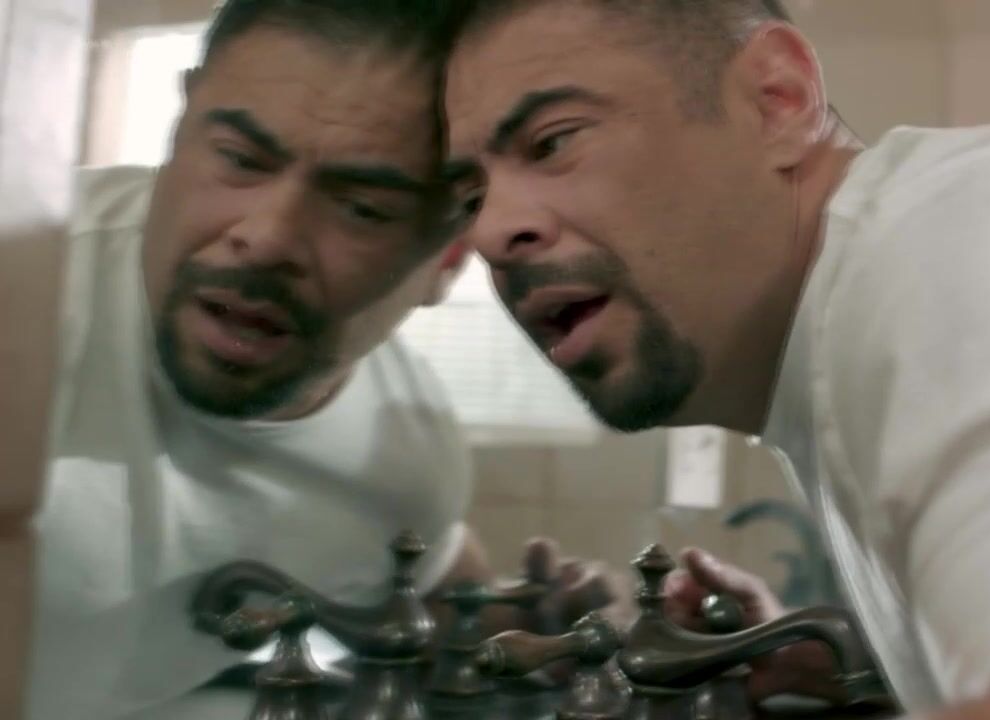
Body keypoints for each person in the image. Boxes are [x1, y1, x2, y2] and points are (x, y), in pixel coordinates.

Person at [434, 0, 990, 717]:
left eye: (554, 141)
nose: (492, 232)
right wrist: (869, 669)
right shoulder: (847, 335)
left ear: (776, 99)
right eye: (472, 195)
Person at [29, 2, 617, 718]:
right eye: (240, 159)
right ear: (180, 127)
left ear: (449, 258)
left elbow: (436, 593)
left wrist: (530, 630)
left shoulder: (402, 457)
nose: (267, 238)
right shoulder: (26, 280)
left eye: (362, 208)